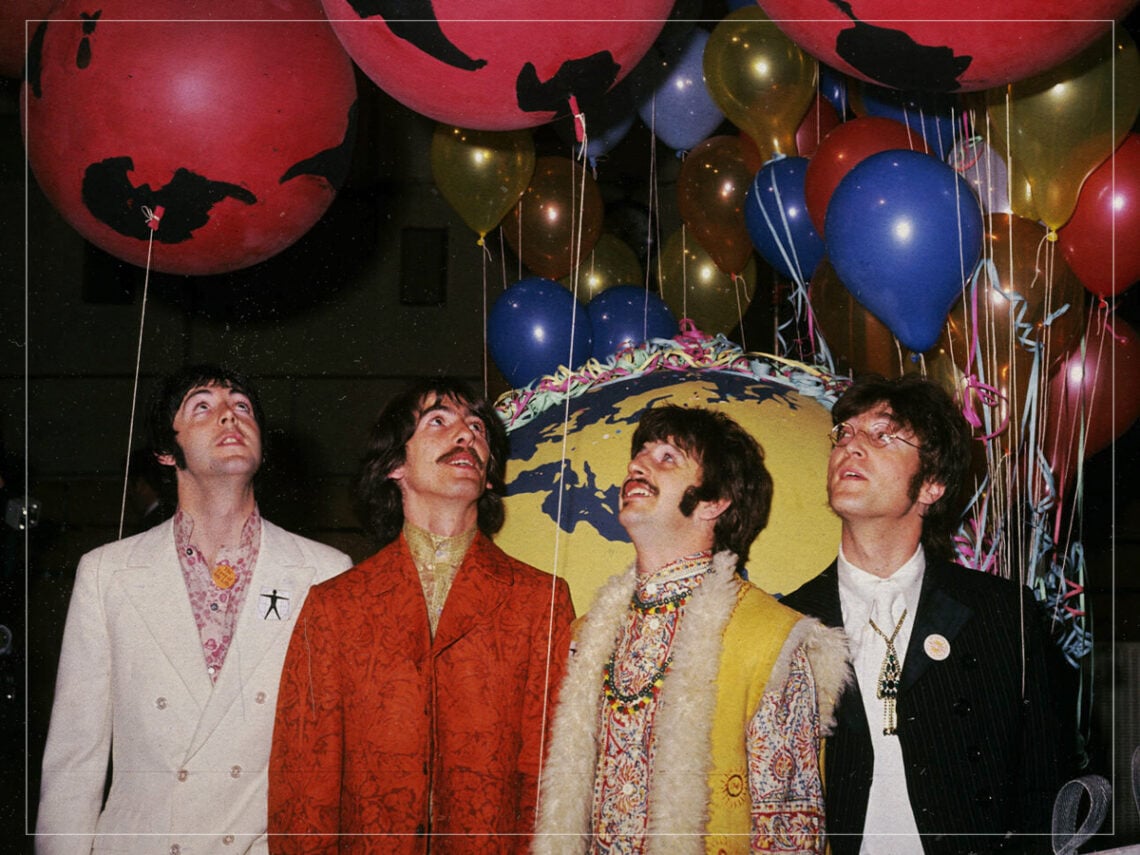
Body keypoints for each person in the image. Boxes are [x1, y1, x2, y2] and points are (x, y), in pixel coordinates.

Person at [35, 365, 352, 854]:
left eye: (242, 406)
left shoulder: (324, 571)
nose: (229, 415)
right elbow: (75, 757)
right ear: (167, 451)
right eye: (202, 406)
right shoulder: (107, 573)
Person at [268, 377, 576, 854]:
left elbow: (549, 779)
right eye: (438, 421)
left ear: (489, 477)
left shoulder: (540, 600)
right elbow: (304, 782)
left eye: (478, 428)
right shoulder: (335, 606)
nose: (466, 434)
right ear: (395, 466)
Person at [534, 404, 849, 854]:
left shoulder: (770, 637)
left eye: (667, 458)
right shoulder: (586, 635)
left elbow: (790, 836)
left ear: (714, 502)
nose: (637, 465)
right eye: (640, 453)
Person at [781, 374, 1063, 855]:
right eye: (844, 433)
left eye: (882, 435)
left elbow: (1046, 783)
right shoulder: (789, 620)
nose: (850, 446)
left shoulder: (1001, 612)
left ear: (932, 484)